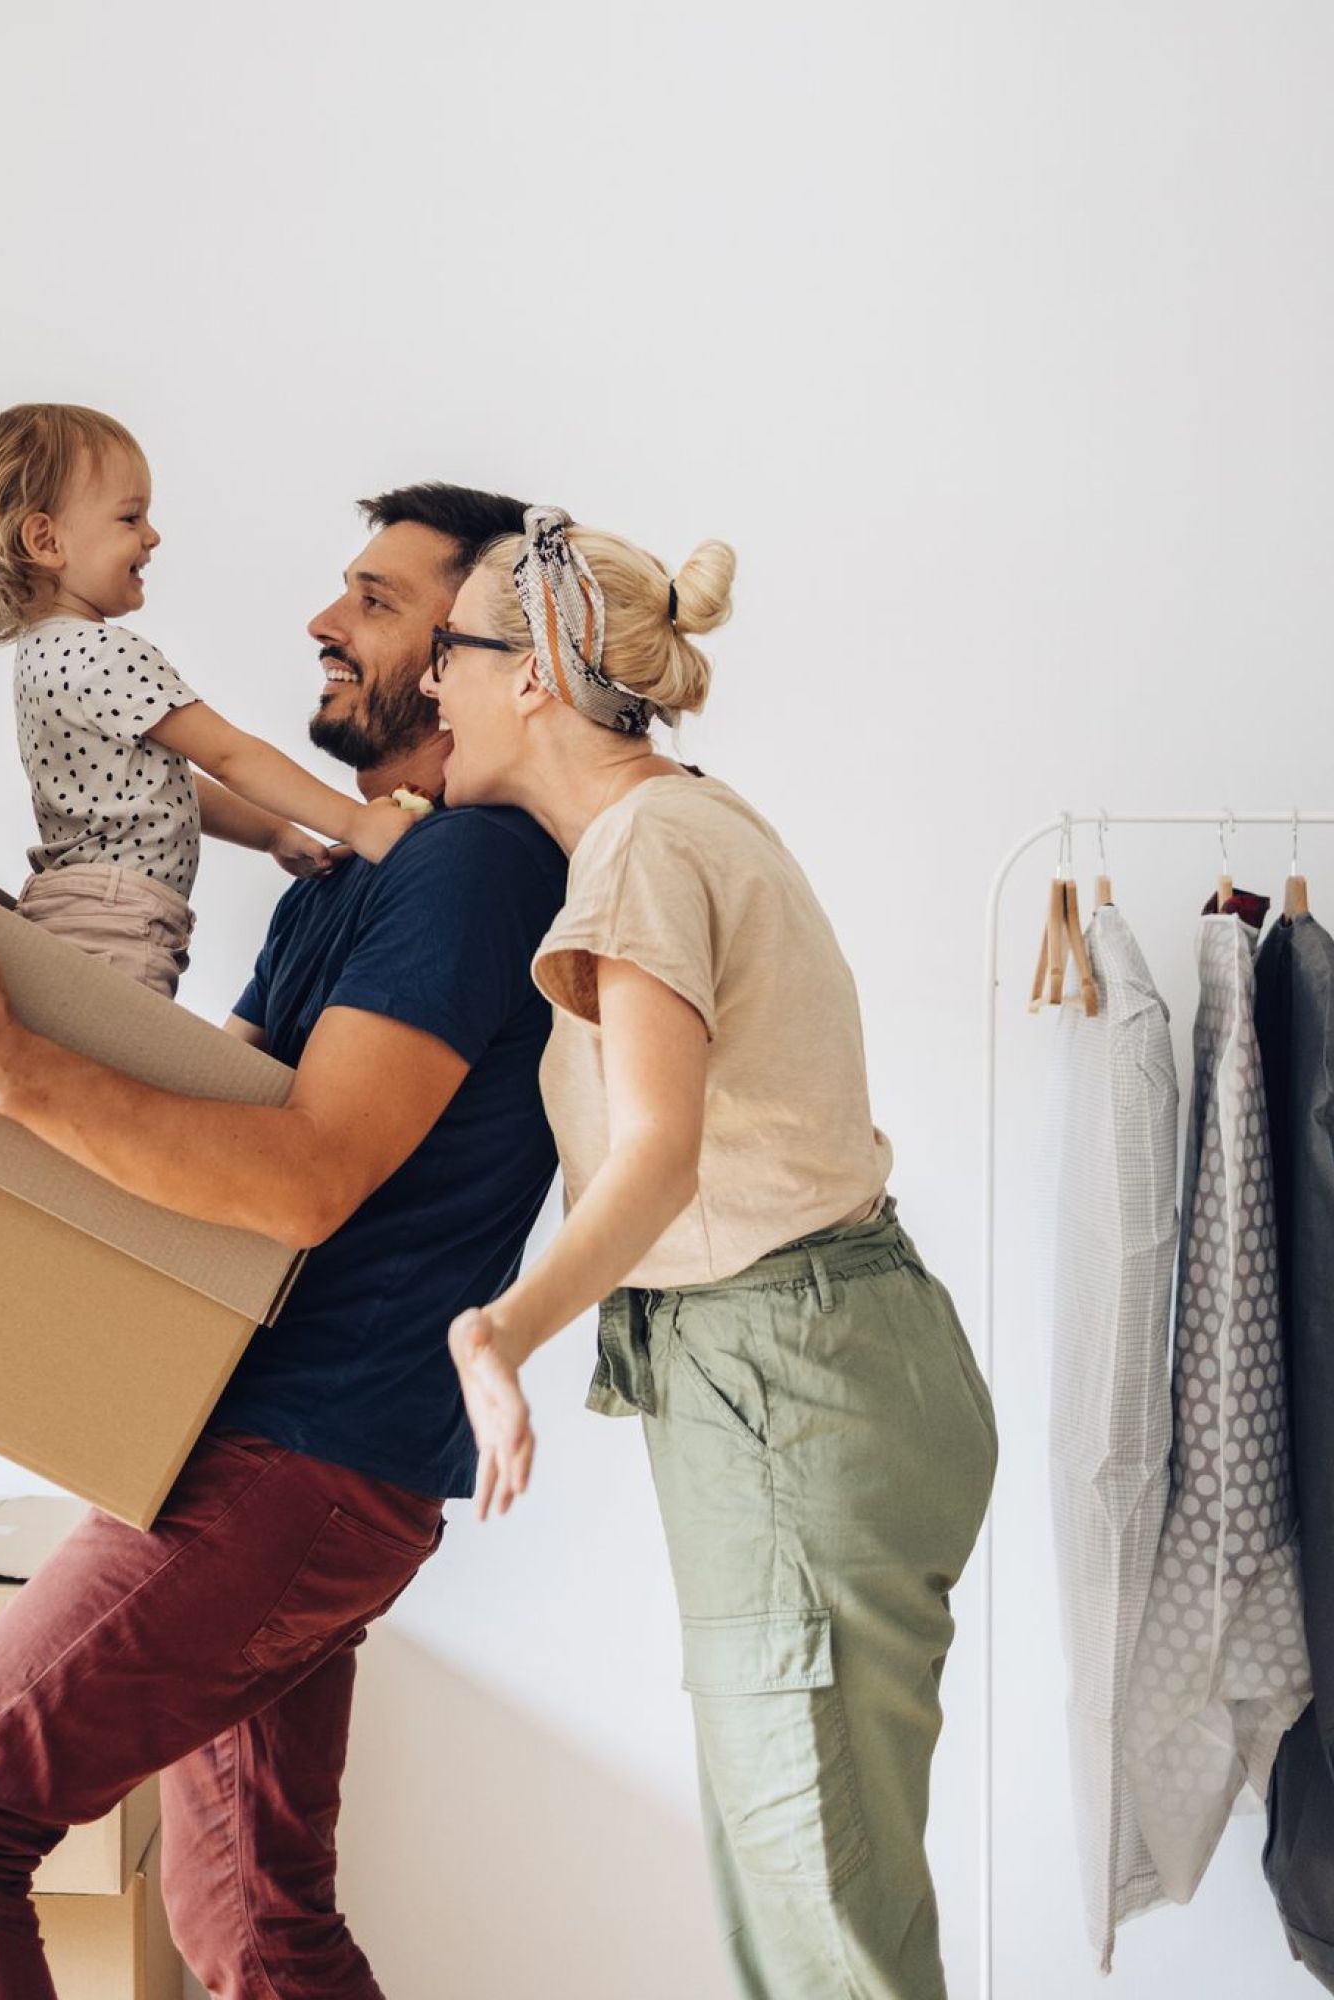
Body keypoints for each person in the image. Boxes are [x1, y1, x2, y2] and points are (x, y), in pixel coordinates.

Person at [0, 482, 564, 1998]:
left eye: (379, 604)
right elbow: (168, 1161)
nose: (325, 623)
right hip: (277, 1453)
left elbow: (303, 1179)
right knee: (254, 1924)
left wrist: (4, 1066)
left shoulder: (473, 868)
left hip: (299, 1462)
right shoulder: (350, 880)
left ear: (482, 662)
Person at [433, 506, 998, 2000]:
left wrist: (503, 1329)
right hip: (828, 1369)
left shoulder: (637, 854)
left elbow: (656, 1152)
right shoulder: (691, 818)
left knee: (822, 1936)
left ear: (538, 668)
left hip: (788, 1387)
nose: (433, 683)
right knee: (829, 1905)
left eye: (451, 652)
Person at [0, 403, 422, 997]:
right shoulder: (104, 653)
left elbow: (162, 785)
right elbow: (228, 755)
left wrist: (272, 834)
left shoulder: (42, 655)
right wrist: (355, 822)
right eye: (129, 517)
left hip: (72, 911)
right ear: (46, 540)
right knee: (119, 1072)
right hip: (118, 924)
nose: (152, 535)